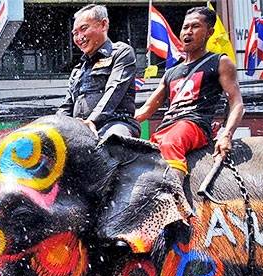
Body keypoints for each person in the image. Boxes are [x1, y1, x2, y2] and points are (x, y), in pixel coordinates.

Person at [135, 6, 244, 176]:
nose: (188, 32)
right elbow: (144, 111)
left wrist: (227, 135)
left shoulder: (220, 61)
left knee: (171, 143)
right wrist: (112, 123)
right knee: (142, 156)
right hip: (168, 126)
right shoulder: (171, 72)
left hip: (195, 125)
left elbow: (237, 103)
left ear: (210, 32)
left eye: (195, 26)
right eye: (185, 27)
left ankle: (174, 201)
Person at [57, 4, 139, 138]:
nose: (79, 37)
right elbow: (66, 107)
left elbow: (114, 89)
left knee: (112, 143)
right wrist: (55, 125)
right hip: (80, 129)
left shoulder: (121, 52)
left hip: (116, 123)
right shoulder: (77, 70)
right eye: (75, 33)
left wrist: (92, 120)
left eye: (84, 29)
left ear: (104, 25)